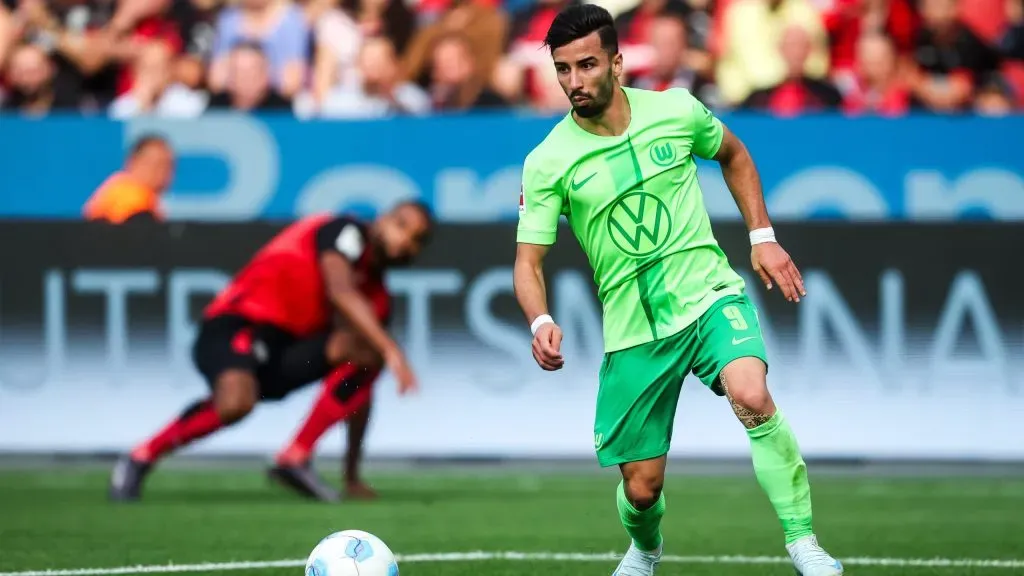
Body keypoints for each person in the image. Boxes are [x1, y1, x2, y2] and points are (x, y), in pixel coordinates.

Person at [512, 5, 842, 576]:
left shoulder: (677, 110)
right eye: (563, 69)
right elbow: (528, 261)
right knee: (642, 488)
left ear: (617, 63)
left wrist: (762, 237)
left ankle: (803, 542)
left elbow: (734, 154)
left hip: (709, 294)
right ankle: (645, 548)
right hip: (634, 330)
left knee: (751, 393)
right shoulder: (547, 162)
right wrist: (540, 320)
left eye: (587, 65)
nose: (574, 81)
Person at [109, 200, 433, 502]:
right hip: (237, 325)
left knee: (365, 353)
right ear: (381, 219)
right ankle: (141, 456)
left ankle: (295, 456)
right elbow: (339, 289)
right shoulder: (345, 231)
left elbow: (358, 391)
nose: (405, 239)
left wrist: (351, 474)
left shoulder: (377, 299)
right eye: (401, 224)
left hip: (284, 354)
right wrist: (392, 350)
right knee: (235, 402)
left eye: (416, 238)